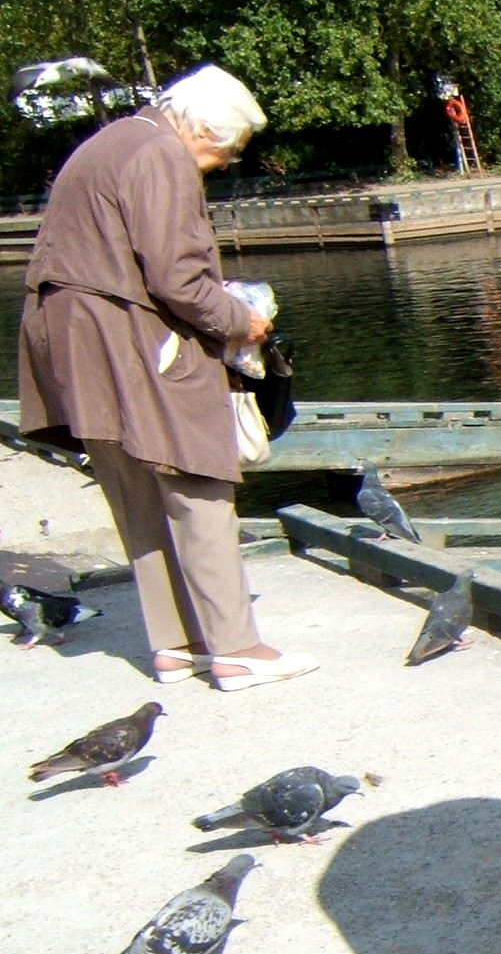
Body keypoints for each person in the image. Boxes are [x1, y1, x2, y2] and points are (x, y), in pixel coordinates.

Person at [16, 65, 317, 690]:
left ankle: (177, 646)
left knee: (136, 490)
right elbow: (177, 278)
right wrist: (240, 321)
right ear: (204, 129)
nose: (226, 163)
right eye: (230, 150)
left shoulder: (107, 142)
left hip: (71, 338)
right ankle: (235, 650)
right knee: (196, 476)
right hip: (128, 336)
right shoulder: (162, 154)